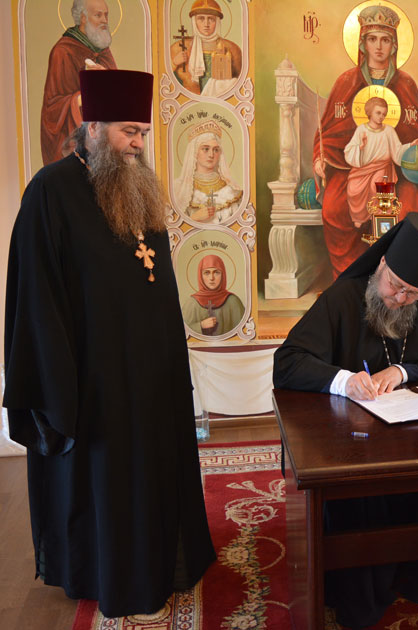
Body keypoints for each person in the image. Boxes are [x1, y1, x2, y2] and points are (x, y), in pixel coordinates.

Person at [3, 69, 216, 617]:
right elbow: (37, 299)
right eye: (128, 131)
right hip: (94, 380)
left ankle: (162, 560)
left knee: (154, 473)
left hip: (152, 373)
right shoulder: (50, 192)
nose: (138, 144)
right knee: (109, 485)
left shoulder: (137, 185)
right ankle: (112, 575)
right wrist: (60, 388)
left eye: (142, 132)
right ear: (92, 126)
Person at [274, 212, 418, 629]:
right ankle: (363, 589)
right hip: (351, 440)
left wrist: (403, 371)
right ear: (381, 265)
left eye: (412, 293)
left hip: (412, 434)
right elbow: (287, 362)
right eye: (395, 285)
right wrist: (344, 381)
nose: (400, 298)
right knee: (364, 486)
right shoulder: (343, 299)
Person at [313, 4, 418, 278]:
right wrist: (319, 158)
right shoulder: (346, 82)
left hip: (396, 171)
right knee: (335, 208)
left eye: (385, 40)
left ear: (394, 45)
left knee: (410, 208)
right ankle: (350, 277)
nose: (378, 46)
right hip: (352, 169)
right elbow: (327, 133)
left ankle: (399, 276)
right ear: (362, 43)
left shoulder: (406, 84)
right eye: (372, 39)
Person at [40, 0, 117, 166]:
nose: (104, 20)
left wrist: (107, 80)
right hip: (77, 139)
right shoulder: (63, 51)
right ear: (83, 18)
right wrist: (86, 95)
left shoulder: (103, 51)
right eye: (98, 15)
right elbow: (53, 107)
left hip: (104, 137)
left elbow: (117, 96)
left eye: (106, 15)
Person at [343, 96, 418, 227]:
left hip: (382, 167)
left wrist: (410, 146)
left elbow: (397, 150)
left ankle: (379, 219)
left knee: (376, 187)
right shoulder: (361, 129)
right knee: (353, 188)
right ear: (370, 112)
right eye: (378, 113)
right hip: (362, 168)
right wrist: (360, 147)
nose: (381, 117)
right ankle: (360, 217)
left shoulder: (389, 130)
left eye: (384, 114)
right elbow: (349, 150)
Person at [173, 120, 243, 223]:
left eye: (216, 150)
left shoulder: (231, 190)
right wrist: (194, 219)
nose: (211, 155)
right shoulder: (179, 188)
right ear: (194, 152)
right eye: (205, 149)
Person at [170, 0, 242, 97]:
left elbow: (239, 80)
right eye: (201, 19)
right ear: (194, 21)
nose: (206, 24)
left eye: (211, 19)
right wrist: (174, 63)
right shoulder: (180, 47)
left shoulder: (232, 49)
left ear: (217, 22)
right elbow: (168, 79)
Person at [182, 253, 245, 336]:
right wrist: (201, 325)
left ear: (223, 274)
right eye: (207, 273)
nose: (211, 278)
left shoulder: (234, 302)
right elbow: (179, 330)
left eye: (216, 272)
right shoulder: (191, 303)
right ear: (200, 275)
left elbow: (243, 330)